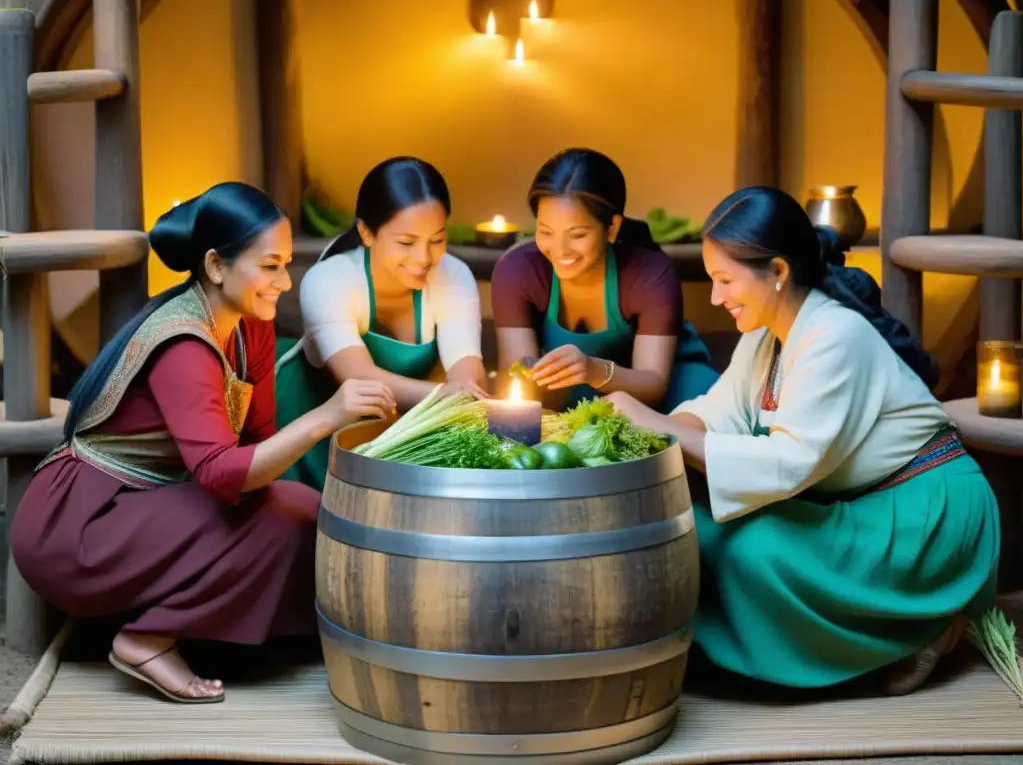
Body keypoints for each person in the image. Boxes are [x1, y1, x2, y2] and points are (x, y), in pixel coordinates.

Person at [605, 186, 1000, 694]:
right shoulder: (766, 334)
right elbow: (716, 413)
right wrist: (645, 428)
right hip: (856, 502)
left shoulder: (835, 335)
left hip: (923, 510)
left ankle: (912, 634)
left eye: (725, 280)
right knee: (694, 529)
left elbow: (790, 463)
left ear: (778, 272)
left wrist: (653, 421)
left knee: (752, 548)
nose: (716, 297)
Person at [11, 182, 396, 704]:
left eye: (286, 264)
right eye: (269, 266)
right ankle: (146, 638)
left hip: (148, 502)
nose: (284, 281)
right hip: (78, 524)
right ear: (216, 266)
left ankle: (216, 629)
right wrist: (328, 415)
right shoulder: (184, 343)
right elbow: (219, 473)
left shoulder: (248, 327)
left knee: (301, 509)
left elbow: (258, 440)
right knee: (283, 515)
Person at [274, 157, 487, 489]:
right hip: (307, 424)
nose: (425, 258)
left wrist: (462, 391)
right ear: (366, 232)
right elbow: (361, 379)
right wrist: (450, 394)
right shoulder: (330, 279)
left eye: (437, 240)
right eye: (406, 242)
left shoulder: (453, 274)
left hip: (396, 429)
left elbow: (467, 372)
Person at [490, 147, 718, 413]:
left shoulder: (649, 272)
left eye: (577, 235)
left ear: (612, 228)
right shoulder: (518, 269)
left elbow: (654, 385)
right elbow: (518, 376)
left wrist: (594, 370)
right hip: (569, 390)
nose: (560, 250)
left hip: (666, 385)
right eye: (546, 231)